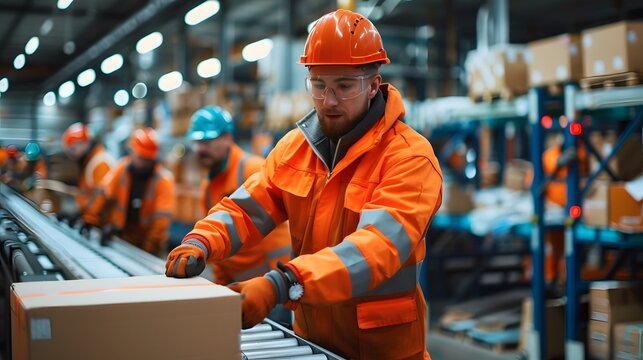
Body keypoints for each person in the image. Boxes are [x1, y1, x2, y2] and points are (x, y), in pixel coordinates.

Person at [166, 9, 442, 360]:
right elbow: (248, 207)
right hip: (311, 346)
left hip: (383, 350)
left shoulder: (409, 158)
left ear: (374, 85)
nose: (328, 101)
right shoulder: (295, 149)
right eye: (319, 84)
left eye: (344, 86)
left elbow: (376, 250)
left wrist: (285, 283)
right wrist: (202, 240)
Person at [187, 105, 292, 285]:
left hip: (273, 281)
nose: (200, 149)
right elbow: (219, 241)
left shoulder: (253, 169)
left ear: (228, 138)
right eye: (197, 142)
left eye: (207, 142)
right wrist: (221, 286)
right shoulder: (208, 186)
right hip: (239, 284)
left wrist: (276, 284)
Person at [85, 128, 175, 256]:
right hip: (123, 237)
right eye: (141, 157)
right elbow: (103, 194)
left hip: (149, 243)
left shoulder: (164, 180)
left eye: (148, 159)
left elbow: (161, 222)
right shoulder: (121, 168)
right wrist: (89, 219)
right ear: (131, 151)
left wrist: (148, 250)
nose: (144, 163)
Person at [61, 122, 115, 225]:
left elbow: (100, 198)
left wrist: (88, 219)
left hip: (101, 224)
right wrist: (80, 213)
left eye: (73, 149)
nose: (71, 155)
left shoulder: (100, 163)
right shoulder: (89, 161)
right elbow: (89, 196)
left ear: (84, 143)